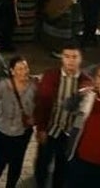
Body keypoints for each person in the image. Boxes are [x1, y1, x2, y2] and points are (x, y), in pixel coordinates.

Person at [33, 43, 90, 188]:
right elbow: (41, 103)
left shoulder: (86, 82)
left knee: (63, 167)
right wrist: (41, 128)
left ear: (81, 59)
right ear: (61, 58)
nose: (70, 60)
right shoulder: (50, 75)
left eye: (74, 57)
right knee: (42, 163)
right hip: (50, 130)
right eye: (67, 56)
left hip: (69, 134)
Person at [0, 55, 35, 188]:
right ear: (12, 71)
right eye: (20, 69)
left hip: (22, 133)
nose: (24, 71)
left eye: (26, 68)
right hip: (1, 131)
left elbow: (40, 105)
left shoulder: (34, 86)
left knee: (16, 164)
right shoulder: (3, 85)